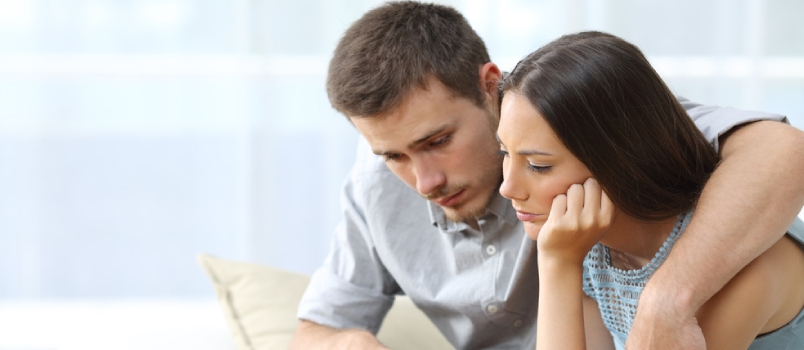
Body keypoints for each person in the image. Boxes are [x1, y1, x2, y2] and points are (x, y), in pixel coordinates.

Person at [289, 2, 804, 349]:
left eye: (437, 141)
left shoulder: (571, 112)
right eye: (391, 156)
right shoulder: (592, 252)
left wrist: (669, 298)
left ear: (488, 87)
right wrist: (346, 342)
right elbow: (318, 326)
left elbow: (781, 151)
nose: (425, 184)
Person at [497, 30, 804, 350]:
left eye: (538, 165)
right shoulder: (584, 246)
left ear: (621, 158)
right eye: (504, 153)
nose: (508, 188)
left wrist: (558, 264)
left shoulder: (726, 265)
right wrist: (558, 263)